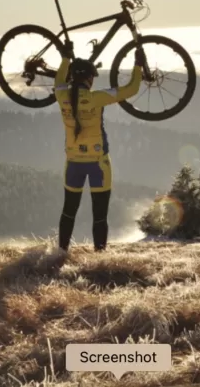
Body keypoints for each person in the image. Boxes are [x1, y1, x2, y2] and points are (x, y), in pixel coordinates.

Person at [41, 42, 143, 255]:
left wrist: (65, 58)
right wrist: (138, 65)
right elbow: (132, 89)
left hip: (73, 163)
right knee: (100, 216)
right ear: (88, 79)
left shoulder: (61, 96)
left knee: (69, 211)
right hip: (99, 163)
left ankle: (61, 254)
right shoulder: (97, 98)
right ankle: (99, 256)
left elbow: (59, 80)